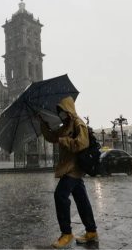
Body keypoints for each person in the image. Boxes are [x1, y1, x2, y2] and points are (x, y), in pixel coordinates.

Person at [38, 96, 98, 249]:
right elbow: (52, 137)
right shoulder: (66, 125)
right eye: (60, 112)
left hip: (74, 167)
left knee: (60, 195)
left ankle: (66, 233)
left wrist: (64, 141)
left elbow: (82, 144)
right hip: (69, 167)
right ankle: (91, 231)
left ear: (68, 109)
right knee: (82, 200)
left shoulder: (78, 123)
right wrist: (43, 123)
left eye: (62, 111)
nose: (61, 114)